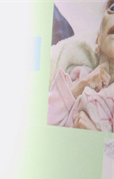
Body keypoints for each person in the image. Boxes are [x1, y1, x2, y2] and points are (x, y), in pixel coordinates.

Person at [48, 1, 114, 131]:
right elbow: (43, 116)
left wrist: (95, 138)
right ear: (98, 40)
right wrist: (81, 85)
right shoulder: (78, 75)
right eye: (113, 8)